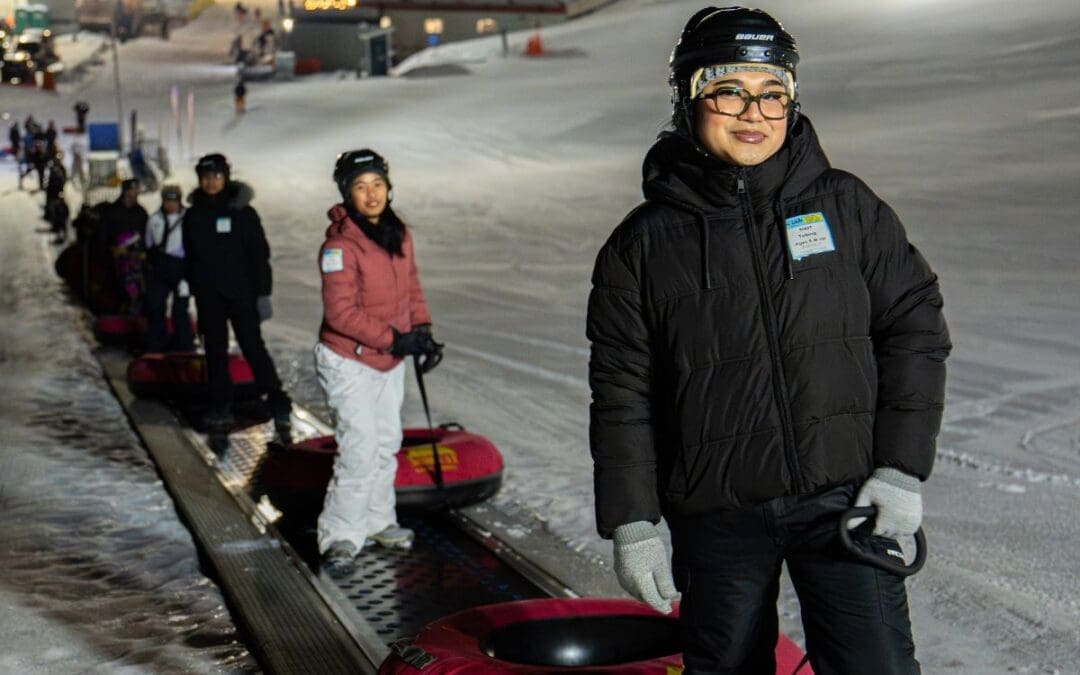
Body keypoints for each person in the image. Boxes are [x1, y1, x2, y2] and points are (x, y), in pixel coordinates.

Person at [586, 7, 951, 674]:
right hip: (716, 513)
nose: (754, 112)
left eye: (773, 92)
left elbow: (915, 327)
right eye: (730, 90)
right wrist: (632, 520)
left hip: (843, 499)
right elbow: (621, 395)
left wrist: (900, 467)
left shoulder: (847, 207)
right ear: (690, 97)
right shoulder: (641, 246)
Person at [315, 149, 443, 577]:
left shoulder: (398, 234)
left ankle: (377, 520)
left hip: (389, 360)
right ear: (347, 194)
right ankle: (340, 533)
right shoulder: (338, 246)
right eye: (360, 186)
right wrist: (395, 339)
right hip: (348, 361)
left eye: (377, 184)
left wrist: (420, 332)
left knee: (387, 442)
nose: (371, 194)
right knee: (358, 448)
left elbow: (411, 288)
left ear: (389, 188)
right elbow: (340, 314)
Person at [182, 153, 292, 443]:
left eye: (216, 176)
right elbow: (190, 255)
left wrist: (263, 293)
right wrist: (191, 284)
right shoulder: (194, 214)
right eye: (206, 177)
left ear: (226, 177)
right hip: (209, 297)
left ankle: (277, 400)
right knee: (215, 352)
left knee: (252, 347)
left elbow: (259, 254)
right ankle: (221, 405)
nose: (211, 182)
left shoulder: (242, 211)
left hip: (242, 294)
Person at [143, 184, 194, 352]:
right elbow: (149, 245)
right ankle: (156, 347)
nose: (171, 205)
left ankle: (184, 347)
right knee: (156, 307)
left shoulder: (189, 218)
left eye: (174, 201)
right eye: (167, 201)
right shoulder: (154, 219)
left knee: (180, 310)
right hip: (160, 267)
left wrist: (189, 276)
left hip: (182, 267)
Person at [100, 178, 149, 315]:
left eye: (136, 190)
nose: (135, 193)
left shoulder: (140, 213)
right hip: (115, 257)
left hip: (135, 258)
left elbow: (146, 235)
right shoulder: (112, 211)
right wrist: (112, 249)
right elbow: (104, 235)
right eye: (132, 190)